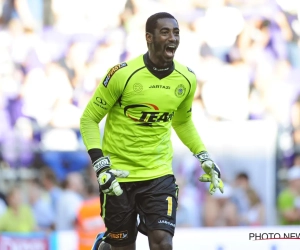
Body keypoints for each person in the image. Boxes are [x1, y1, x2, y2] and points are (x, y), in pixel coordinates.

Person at [80, 12, 224, 250]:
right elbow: (88, 120)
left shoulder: (186, 78)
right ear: (149, 37)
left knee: (163, 242)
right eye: (165, 32)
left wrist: (203, 155)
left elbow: (183, 122)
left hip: (158, 175)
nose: (173, 38)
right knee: (123, 246)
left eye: (176, 32)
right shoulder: (122, 74)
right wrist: (100, 165)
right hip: (118, 175)